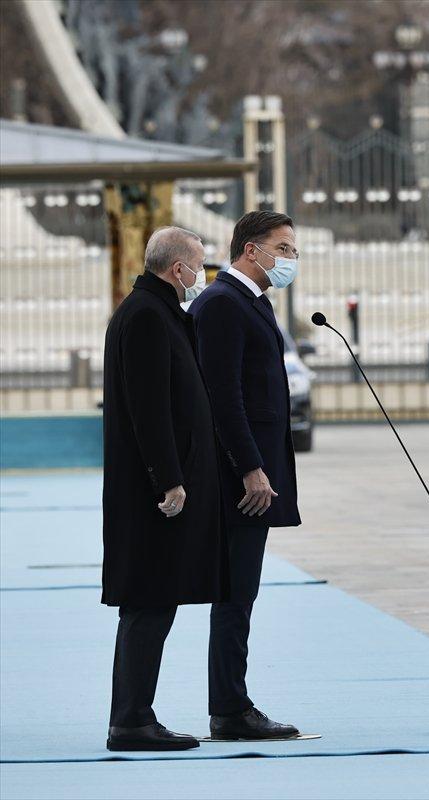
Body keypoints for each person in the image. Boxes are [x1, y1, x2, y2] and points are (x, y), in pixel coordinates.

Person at [102, 226, 225, 751]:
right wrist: (170, 480)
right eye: (197, 265)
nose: (201, 275)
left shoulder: (153, 311)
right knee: (149, 603)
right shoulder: (149, 316)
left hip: (155, 487)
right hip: (153, 494)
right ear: (178, 270)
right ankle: (131, 720)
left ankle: (135, 714)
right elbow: (149, 409)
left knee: (154, 603)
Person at [189, 211, 301, 740]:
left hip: (255, 471)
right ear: (251, 250)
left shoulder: (249, 301)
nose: (290, 259)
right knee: (235, 594)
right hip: (240, 478)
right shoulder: (223, 304)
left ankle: (231, 702)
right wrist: (251, 467)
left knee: (242, 592)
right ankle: (230, 709)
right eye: (283, 248)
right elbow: (223, 395)